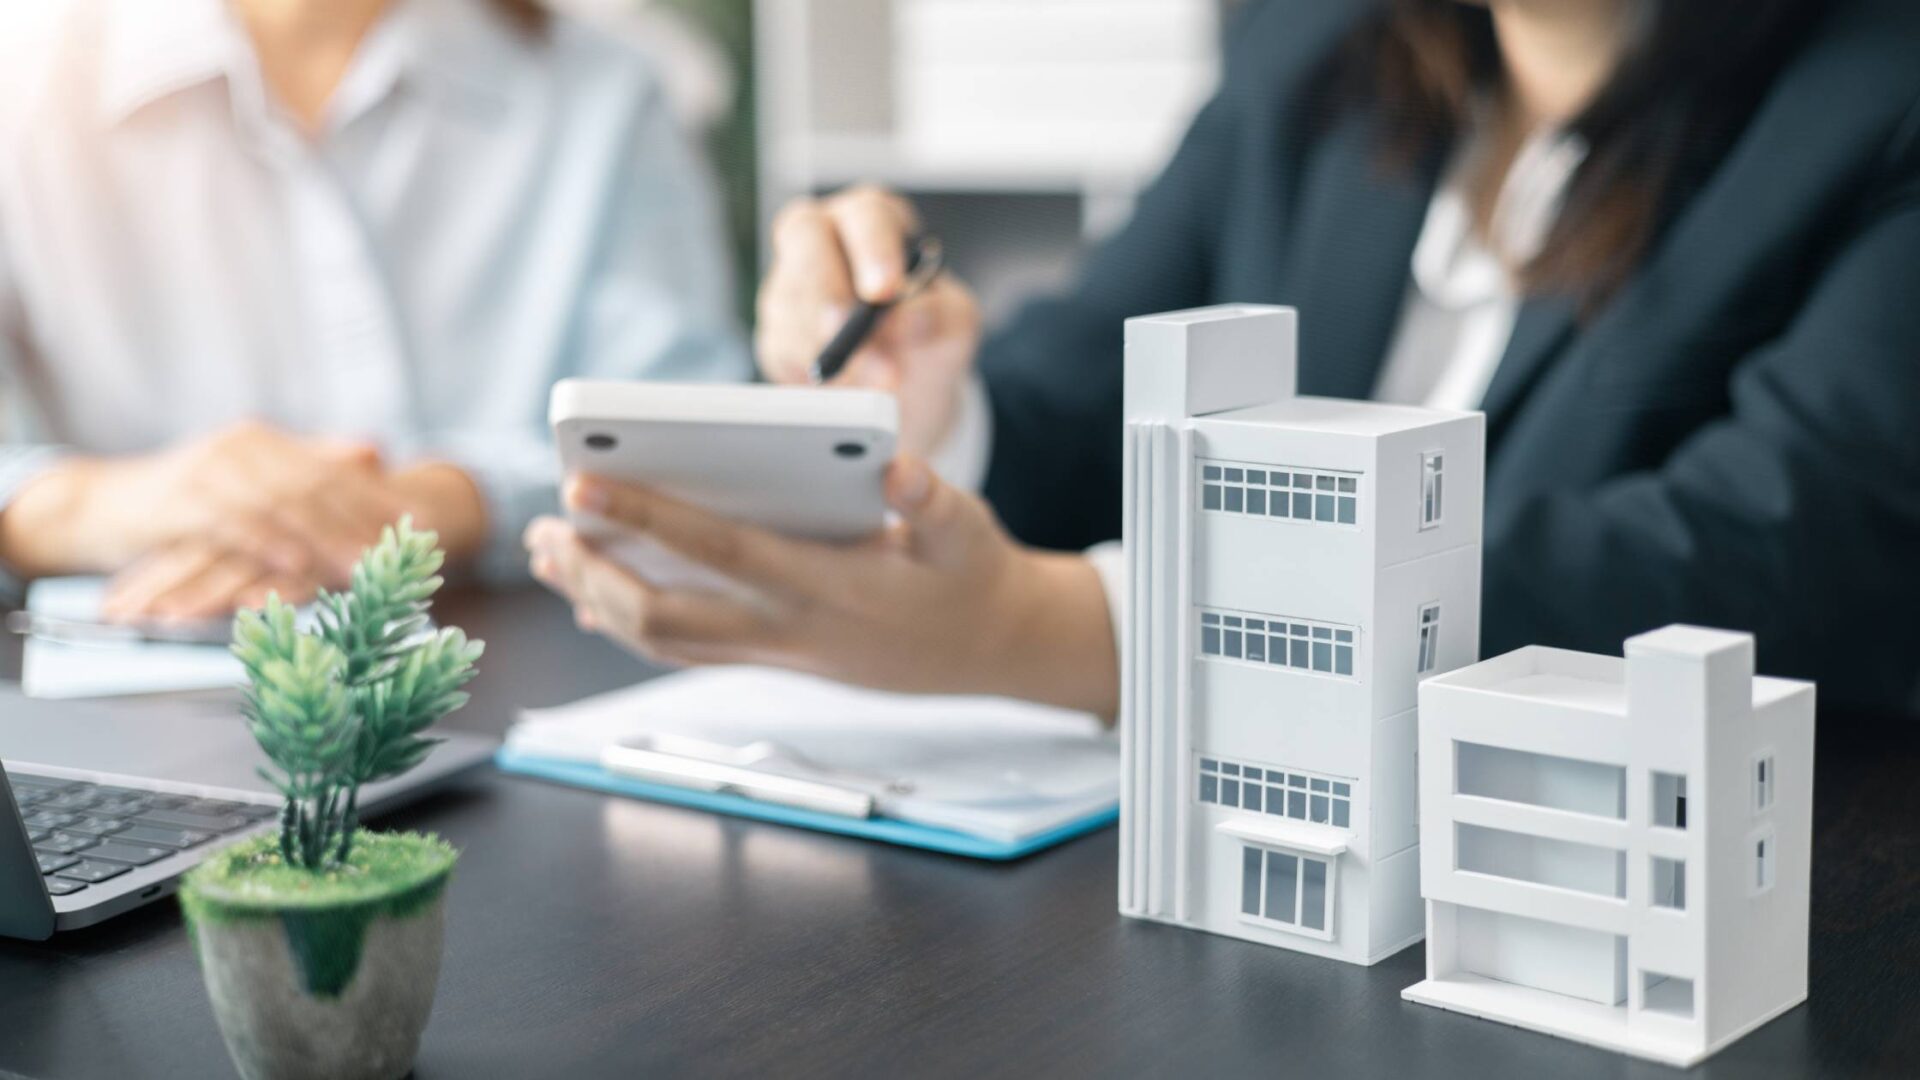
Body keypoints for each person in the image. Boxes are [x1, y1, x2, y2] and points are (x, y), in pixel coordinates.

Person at [527, 0, 1920, 719]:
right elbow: (1094, 382)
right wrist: (925, 398)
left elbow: (1764, 557)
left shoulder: (1880, 95)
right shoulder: (1312, 47)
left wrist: (1069, 635)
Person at [0, 0, 747, 620]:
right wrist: (85, 507)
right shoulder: (25, 79)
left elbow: (690, 440)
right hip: (137, 668)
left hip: (517, 671)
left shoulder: (606, 88)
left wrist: (448, 502)